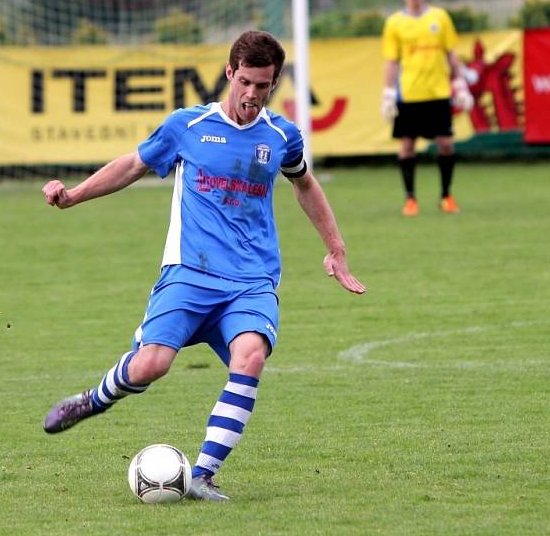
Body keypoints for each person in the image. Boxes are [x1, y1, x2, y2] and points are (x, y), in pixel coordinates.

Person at [41, 30, 366, 502]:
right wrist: (73, 196)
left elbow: (305, 185)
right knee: (151, 366)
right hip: (188, 272)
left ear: (275, 84)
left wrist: (335, 248)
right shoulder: (186, 126)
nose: (253, 95)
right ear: (230, 73)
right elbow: (131, 165)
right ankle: (94, 400)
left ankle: (202, 475)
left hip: (252, 279)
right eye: (247, 82)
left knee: (250, 357)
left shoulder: (281, 136)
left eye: (265, 86)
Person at [380, 0, 473, 217]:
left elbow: (451, 54)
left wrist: (460, 83)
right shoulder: (394, 23)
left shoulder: (440, 18)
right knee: (407, 146)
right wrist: (389, 93)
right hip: (409, 94)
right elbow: (391, 61)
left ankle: (446, 195)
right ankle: (410, 199)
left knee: (445, 144)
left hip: (438, 92)